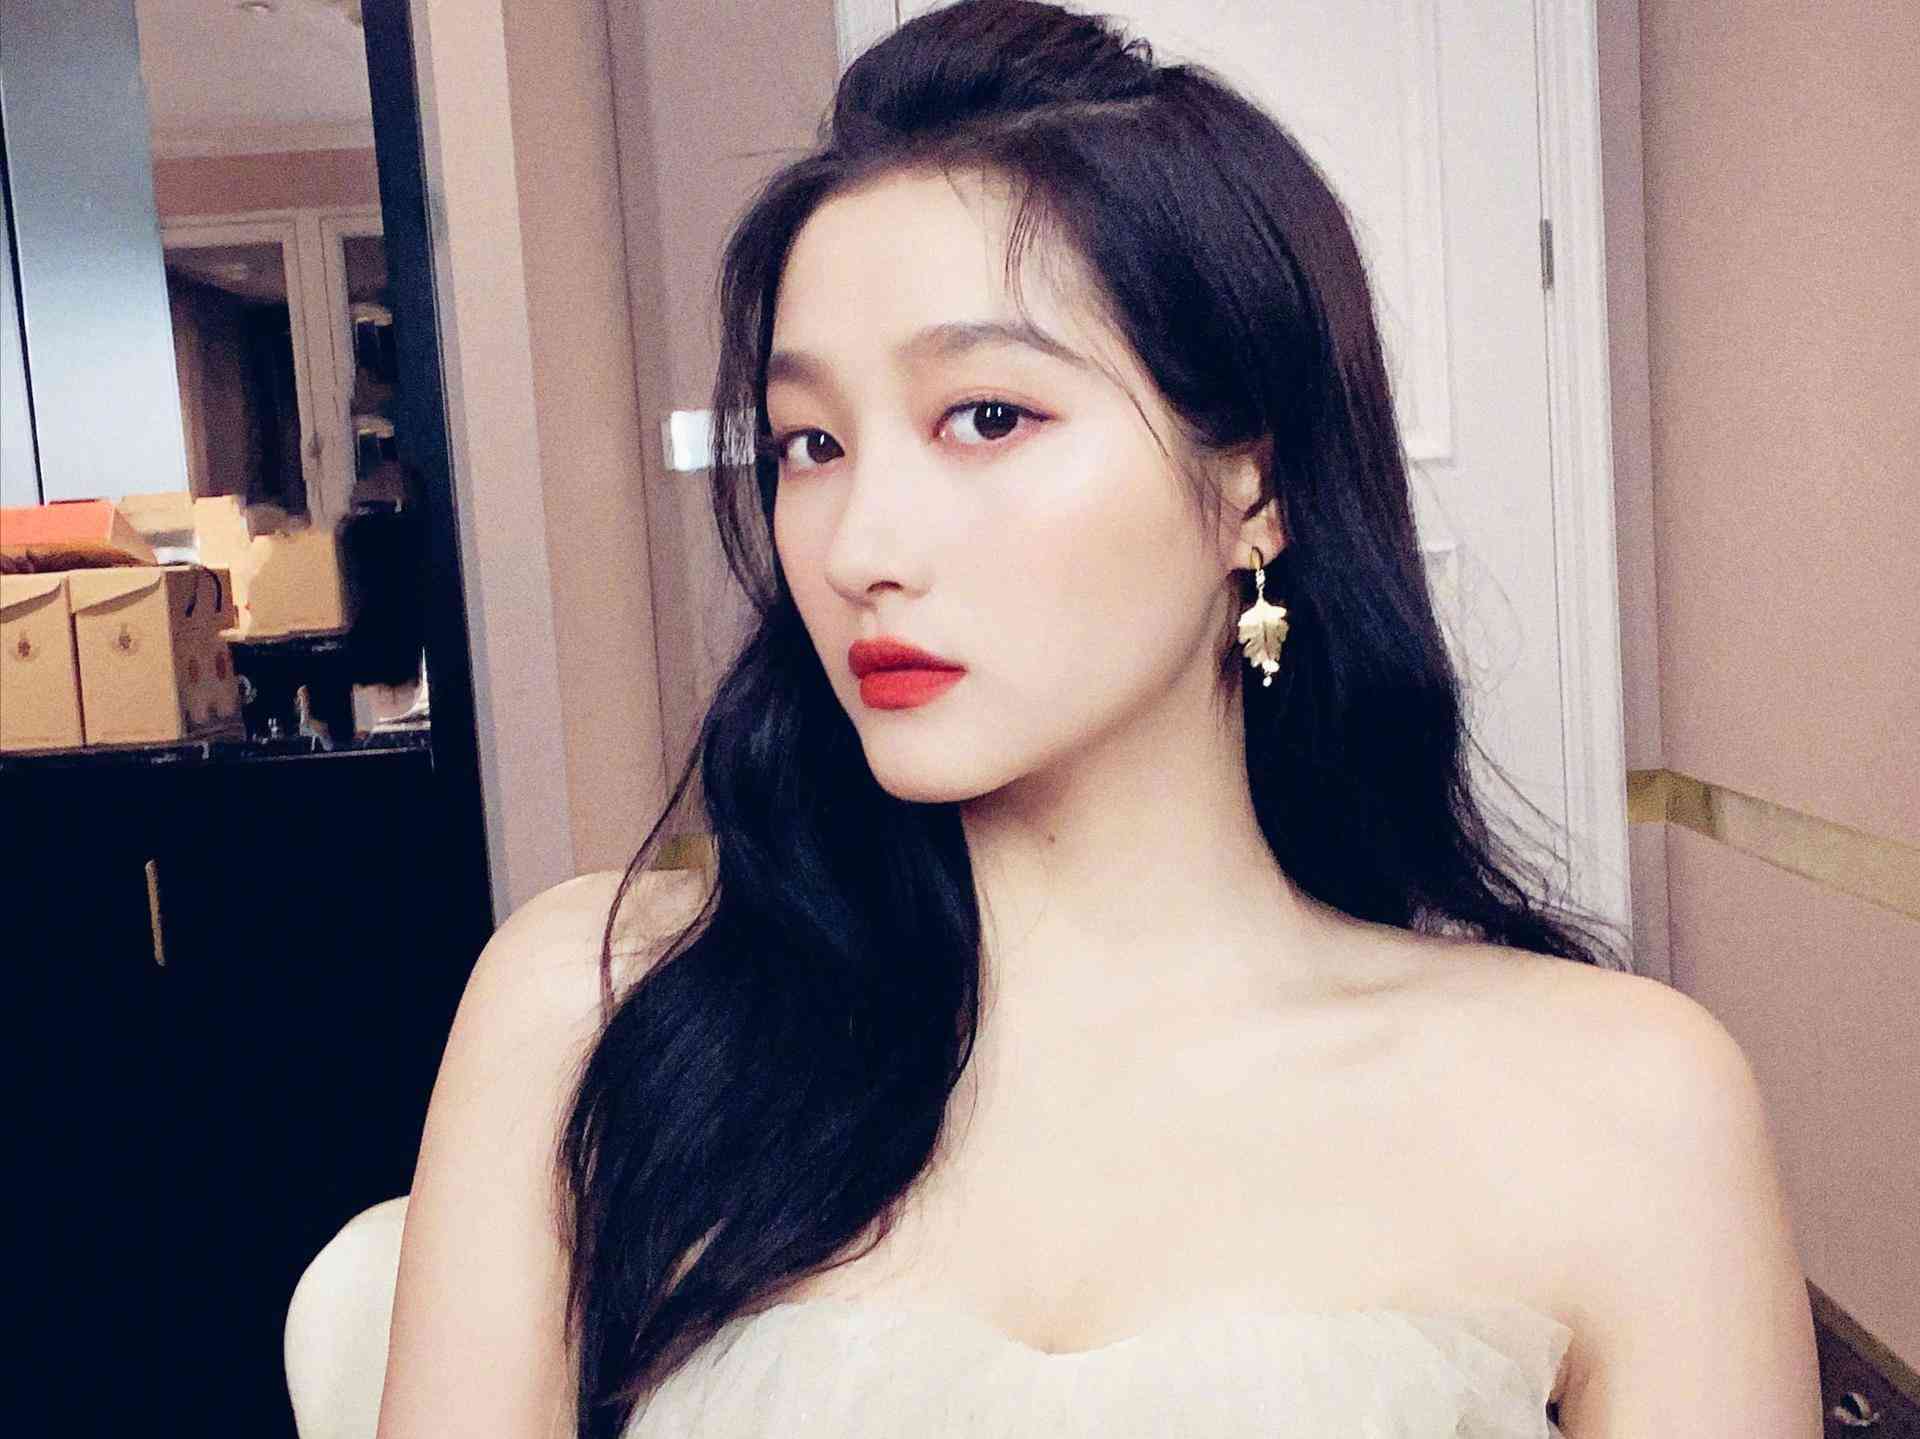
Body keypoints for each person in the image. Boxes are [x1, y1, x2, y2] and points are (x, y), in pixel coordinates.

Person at [372, 3, 1821, 1436]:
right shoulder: (593, 1014)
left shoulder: (1620, 1105)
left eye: (987, 418)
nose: (860, 543)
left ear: (1254, 484)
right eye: (812, 443)